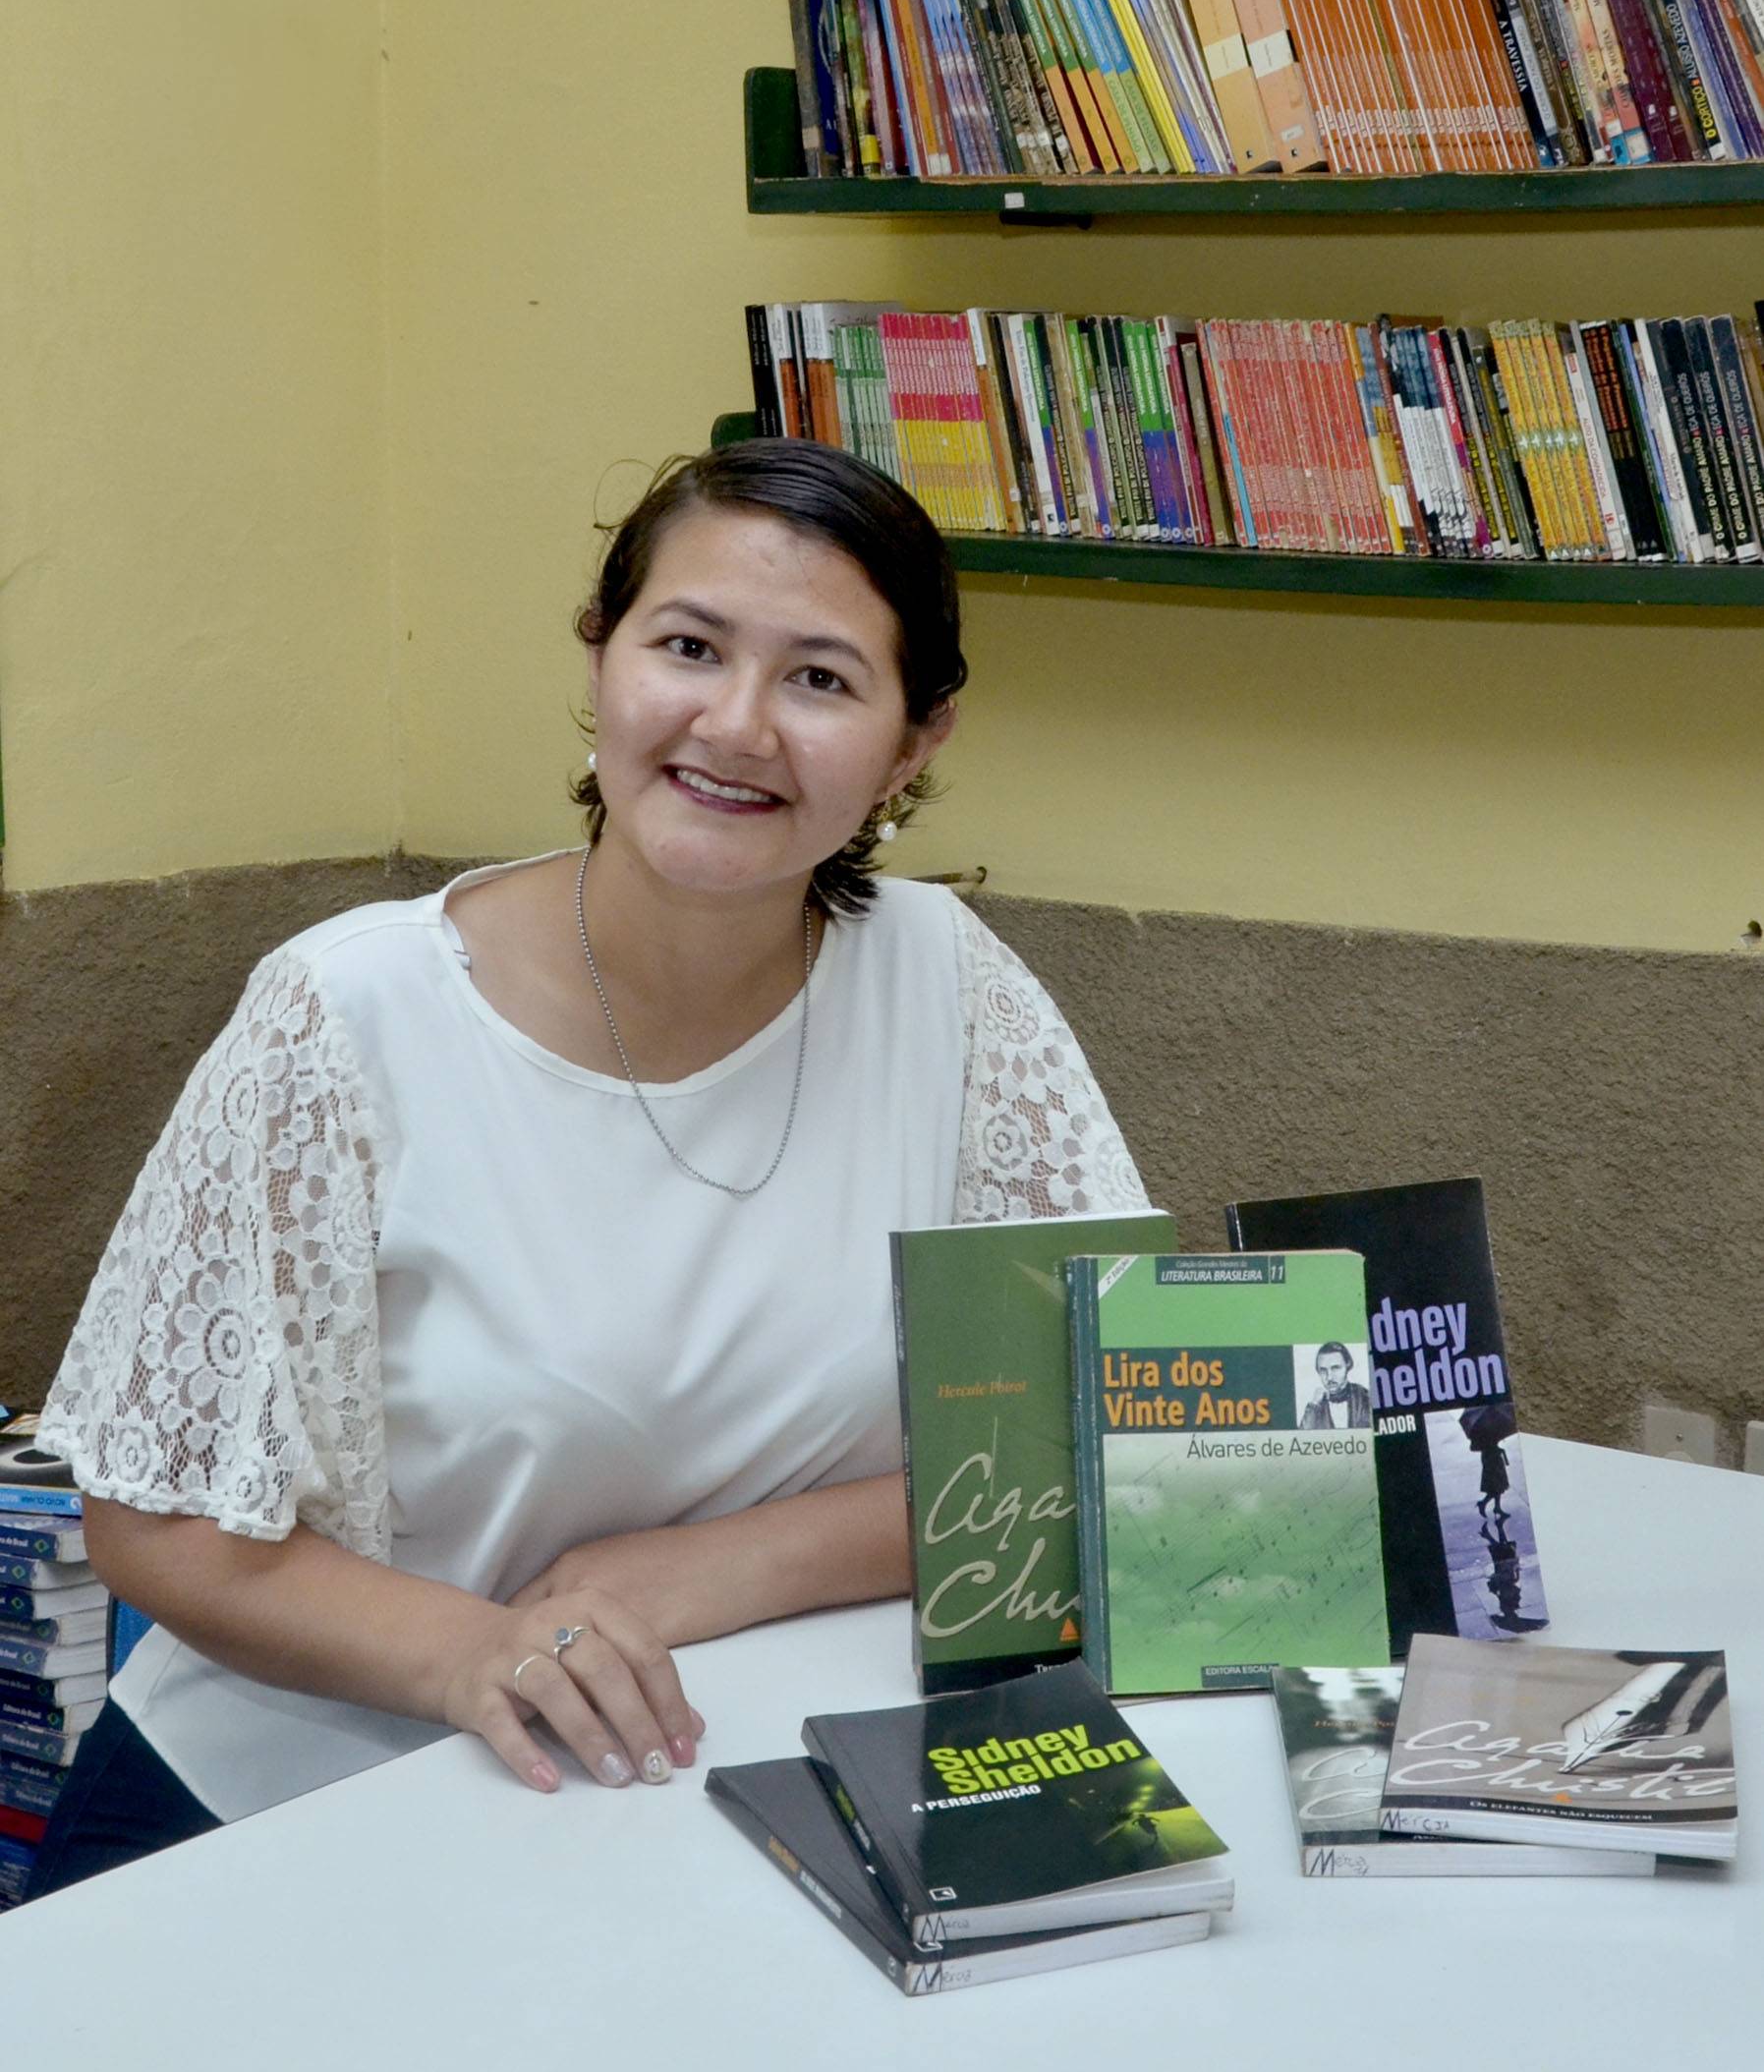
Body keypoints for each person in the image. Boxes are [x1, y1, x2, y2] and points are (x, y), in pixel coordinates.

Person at [28, 439, 1149, 1896]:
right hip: (301, 1793)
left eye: (819, 678)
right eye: (688, 647)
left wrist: (712, 1566)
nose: (735, 725)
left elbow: (1097, 1433)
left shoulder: (948, 985)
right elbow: (158, 1521)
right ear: (601, 654)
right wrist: (479, 1650)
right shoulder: (346, 1013)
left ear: (913, 742)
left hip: (714, 1775)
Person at [1297, 1341, 1371, 1430]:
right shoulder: (1316, 1405)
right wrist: (1314, 1405)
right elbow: (1302, 1434)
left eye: (1335, 1368)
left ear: (1348, 1365)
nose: (1329, 1377)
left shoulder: (1364, 1396)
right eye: (1323, 1370)